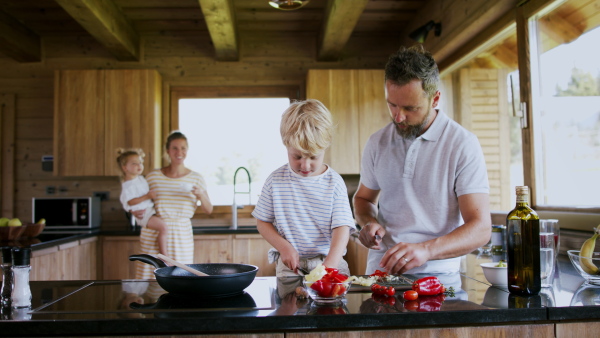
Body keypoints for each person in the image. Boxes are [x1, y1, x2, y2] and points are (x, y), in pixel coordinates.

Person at [354, 45, 491, 275]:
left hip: (439, 277)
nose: (398, 117)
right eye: (392, 104)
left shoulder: (462, 144)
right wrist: (368, 222)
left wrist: (426, 250)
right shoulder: (377, 142)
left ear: (435, 99)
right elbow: (363, 199)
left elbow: (480, 229)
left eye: (410, 108)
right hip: (380, 273)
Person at [252, 99, 356, 277]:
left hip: (329, 260)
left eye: (313, 157)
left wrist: (330, 264)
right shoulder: (275, 181)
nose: (305, 165)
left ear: (325, 147)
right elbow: (262, 222)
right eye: (297, 156)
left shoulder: (334, 182)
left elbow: (342, 227)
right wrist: (284, 247)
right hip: (291, 265)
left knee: (332, 305)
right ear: (286, 145)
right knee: (290, 304)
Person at [133, 131, 213, 280]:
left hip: (181, 235)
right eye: (175, 148)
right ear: (168, 151)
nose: (179, 152)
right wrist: (135, 212)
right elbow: (138, 201)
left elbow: (208, 209)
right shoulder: (153, 177)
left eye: (183, 148)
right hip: (155, 232)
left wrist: (201, 194)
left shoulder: (196, 178)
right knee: (149, 277)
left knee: (182, 278)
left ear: (187, 150)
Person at [117, 148, 168, 255]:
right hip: (143, 214)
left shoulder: (140, 179)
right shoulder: (128, 185)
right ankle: (164, 255)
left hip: (148, 211)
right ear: (125, 168)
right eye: (135, 163)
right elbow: (130, 202)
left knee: (164, 226)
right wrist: (147, 196)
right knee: (163, 227)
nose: (139, 165)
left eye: (140, 162)